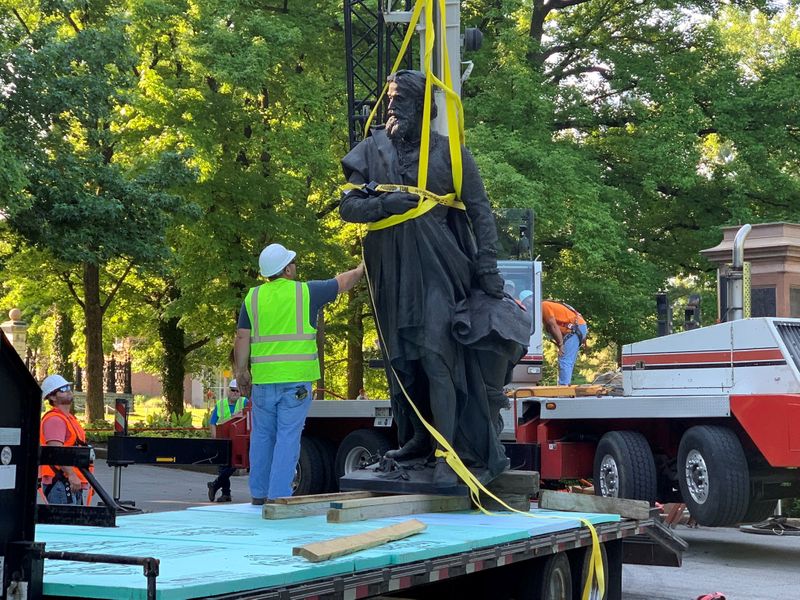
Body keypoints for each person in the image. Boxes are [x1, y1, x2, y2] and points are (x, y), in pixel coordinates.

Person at [339, 69, 528, 488]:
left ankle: (448, 451)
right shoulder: (372, 149)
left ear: (424, 109)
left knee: (436, 355)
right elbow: (348, 208)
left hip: (439, 267)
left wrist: (489, 269)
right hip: (391, 269)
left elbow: (481, 213)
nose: (391, 108)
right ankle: (418, 441)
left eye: (400, 101)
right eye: (389, 101)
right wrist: (385, 203)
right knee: (402, 363)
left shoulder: (450, 153)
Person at [234, 243, 364, 504]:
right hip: (295, 384)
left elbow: (241, 336)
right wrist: (362, 268)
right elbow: (342, 282)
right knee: (287, 438)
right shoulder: (306, 292)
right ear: (288, 269)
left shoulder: (253, 298)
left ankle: (258, 494)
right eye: (292, 262)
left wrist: (241, 372)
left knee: (261, 437)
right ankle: (279, 496)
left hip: (264, 382)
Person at [39, 374, 90, 505]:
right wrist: (71, 475)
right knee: (65, 524)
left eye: (68, 387)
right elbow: (56, 451)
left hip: (69, 481)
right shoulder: (55, 419)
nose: (68, 390)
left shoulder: (68, 418)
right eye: (62, 389)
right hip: (61, 482)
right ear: (52, 397)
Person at [207, 379, 248, 502]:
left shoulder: (245, 402)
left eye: (237, 391)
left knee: (233, 465)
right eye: (233, 390)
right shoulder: (220, 404)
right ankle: (226, 494)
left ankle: (214, 485)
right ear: (228, 391)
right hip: (224, 440)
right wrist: (215, 438)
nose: (235, 393)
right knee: (223, 467)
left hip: (239, 442)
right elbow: (212, 422)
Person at [542, 300, 588, 385]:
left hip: (575, 328)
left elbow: (553, 326)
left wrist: (561, 344)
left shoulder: (544, 306)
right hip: (577, 327)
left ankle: (564, 390)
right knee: (567, 361)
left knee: (565, 359)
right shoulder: (545, 307)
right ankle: (565, 387)